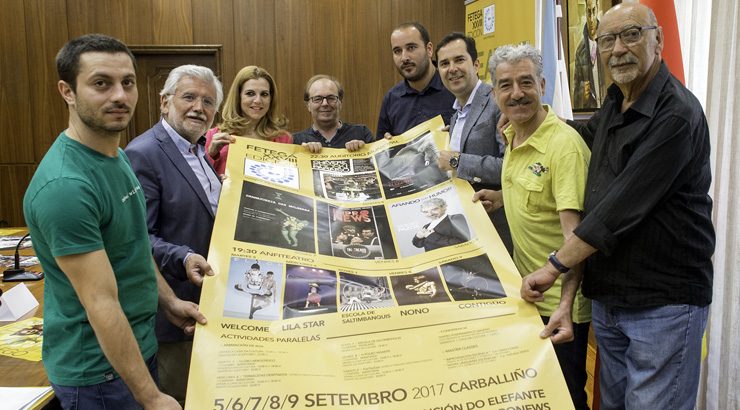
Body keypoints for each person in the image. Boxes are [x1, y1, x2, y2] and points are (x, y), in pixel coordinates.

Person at [520, 4, 714, 409]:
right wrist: (529, 117)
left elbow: (616, 209)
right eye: (606, 40)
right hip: (610, 298)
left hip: (662, 304)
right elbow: (576, 154)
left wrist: (554, 266)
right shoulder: (613, 102)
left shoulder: (676, 114)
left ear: (657, 39)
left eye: (631, 35)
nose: (618, 49)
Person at [23, 34, 206, 409]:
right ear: (68, 91)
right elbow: (100, 302)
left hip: (137, 350)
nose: (120, 96)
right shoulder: (66, 187)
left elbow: (134, 249)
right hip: (100, 373)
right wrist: (151, 396)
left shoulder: (115, 156)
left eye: (128, 82)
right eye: (101, 84)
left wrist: (168, 301)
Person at [474, 44, 591, 409]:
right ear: (494, 94)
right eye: (506, 85)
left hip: (558, 307)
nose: (517, 93)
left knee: (565, 399)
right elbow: (537, 192)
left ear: (542, 84)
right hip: (525, 297)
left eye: (526, 82)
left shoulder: (564, 147)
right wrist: (500, 196)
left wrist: (566, 307)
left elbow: (579, 238)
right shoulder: (515, 133)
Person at [125, 64, 223, 404]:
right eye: (189, 97)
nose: (199, 107)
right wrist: (181, 255)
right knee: (178, 398)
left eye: (208, 102)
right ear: (165, 102)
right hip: (173, 312)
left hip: (207, 306)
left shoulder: (199, 150)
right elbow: (138, 237)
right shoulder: (144, 153)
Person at [434, 32, 512, 254]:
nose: (452, 68)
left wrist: (457, 160)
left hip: (497, 225)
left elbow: (510, 168)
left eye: (459, 60)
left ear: (476, 64)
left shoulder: (497, 102)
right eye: (444, 64)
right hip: (466, 225)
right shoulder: (456, 114)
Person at [205, 66, 291, 176]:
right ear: (238, 96)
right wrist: (211, 154)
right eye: (250, 93)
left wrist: (308, 154)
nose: (257, 100)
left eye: (264, 94)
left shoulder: (283, 139)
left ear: (271, 99)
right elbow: (198, 180)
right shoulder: (215, 136)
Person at [377, 22, 456, 139]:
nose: (404, 58)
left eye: (411, 48)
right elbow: (380, 149)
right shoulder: (391, 98)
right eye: (397, 51)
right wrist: (385, 146)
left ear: (429, 49)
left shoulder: (454, 88)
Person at [293, 75, 375, 153]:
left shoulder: (362, 134)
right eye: (317, 99)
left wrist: (364, 151)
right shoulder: (296, 142)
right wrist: (303, 154)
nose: (325, 103)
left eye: (331, 98)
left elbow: (381, 164)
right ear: (308, 105)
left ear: (340, 103)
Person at [573, 0, 605, 109]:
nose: (591, 19)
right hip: (590, 116)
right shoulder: (580, 51)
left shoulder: (608, 44)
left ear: (598, 9)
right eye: (588, 12)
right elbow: (576, 92)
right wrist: (583, 94)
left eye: (594, 11)